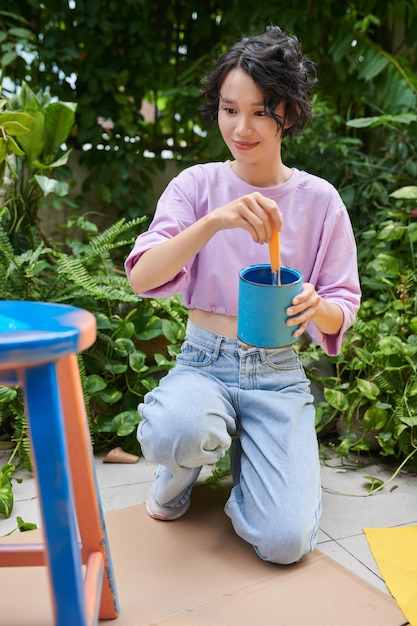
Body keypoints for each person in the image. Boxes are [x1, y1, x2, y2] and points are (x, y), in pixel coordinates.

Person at [125, 25, 361, 565]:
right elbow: (141, 278)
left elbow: (341, 304)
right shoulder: (196, 185)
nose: (242, 126)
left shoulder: (320, 201)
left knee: (284, 543)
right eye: (230, 109)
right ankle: (183, 462)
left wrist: (317, 306)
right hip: (203, 361)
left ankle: (248, 465)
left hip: (278, 375)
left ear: (291, 114)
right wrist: (214, 222)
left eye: (261, 111)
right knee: (177, 429)